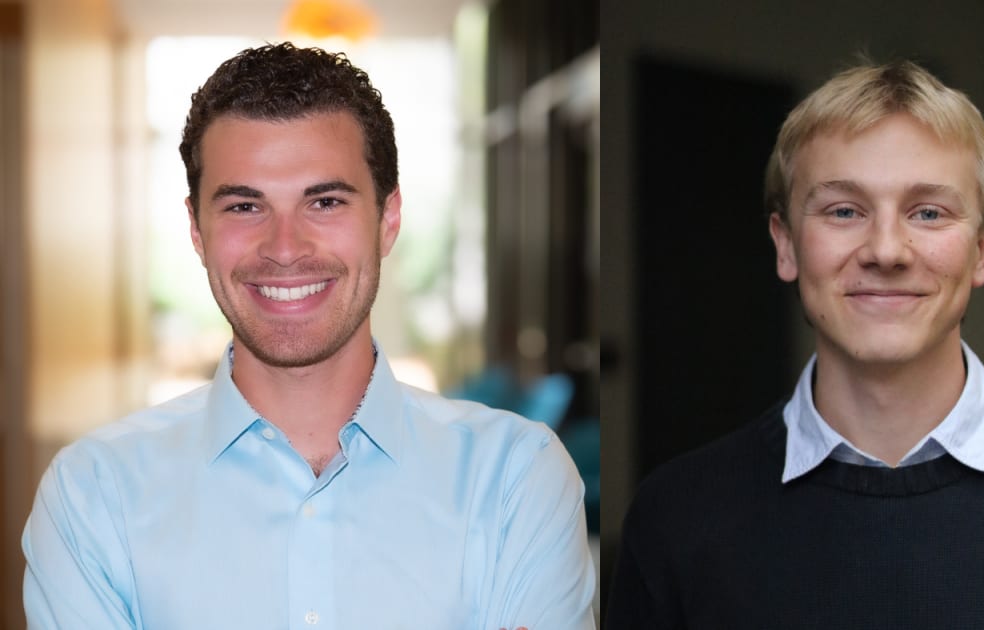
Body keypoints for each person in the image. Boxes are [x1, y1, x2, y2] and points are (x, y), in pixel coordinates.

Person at [605, 59, 984, 628]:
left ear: (983, 248)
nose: (886, 251)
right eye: (843, 210)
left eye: (928, 213)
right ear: (785, 245)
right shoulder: (677, 521)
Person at [23, 42, 594, 630]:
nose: (285, 248)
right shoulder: (93, 496)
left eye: (324, 201)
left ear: (388, 220)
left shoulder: (516, 479)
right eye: (245, 206)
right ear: (197, 231)